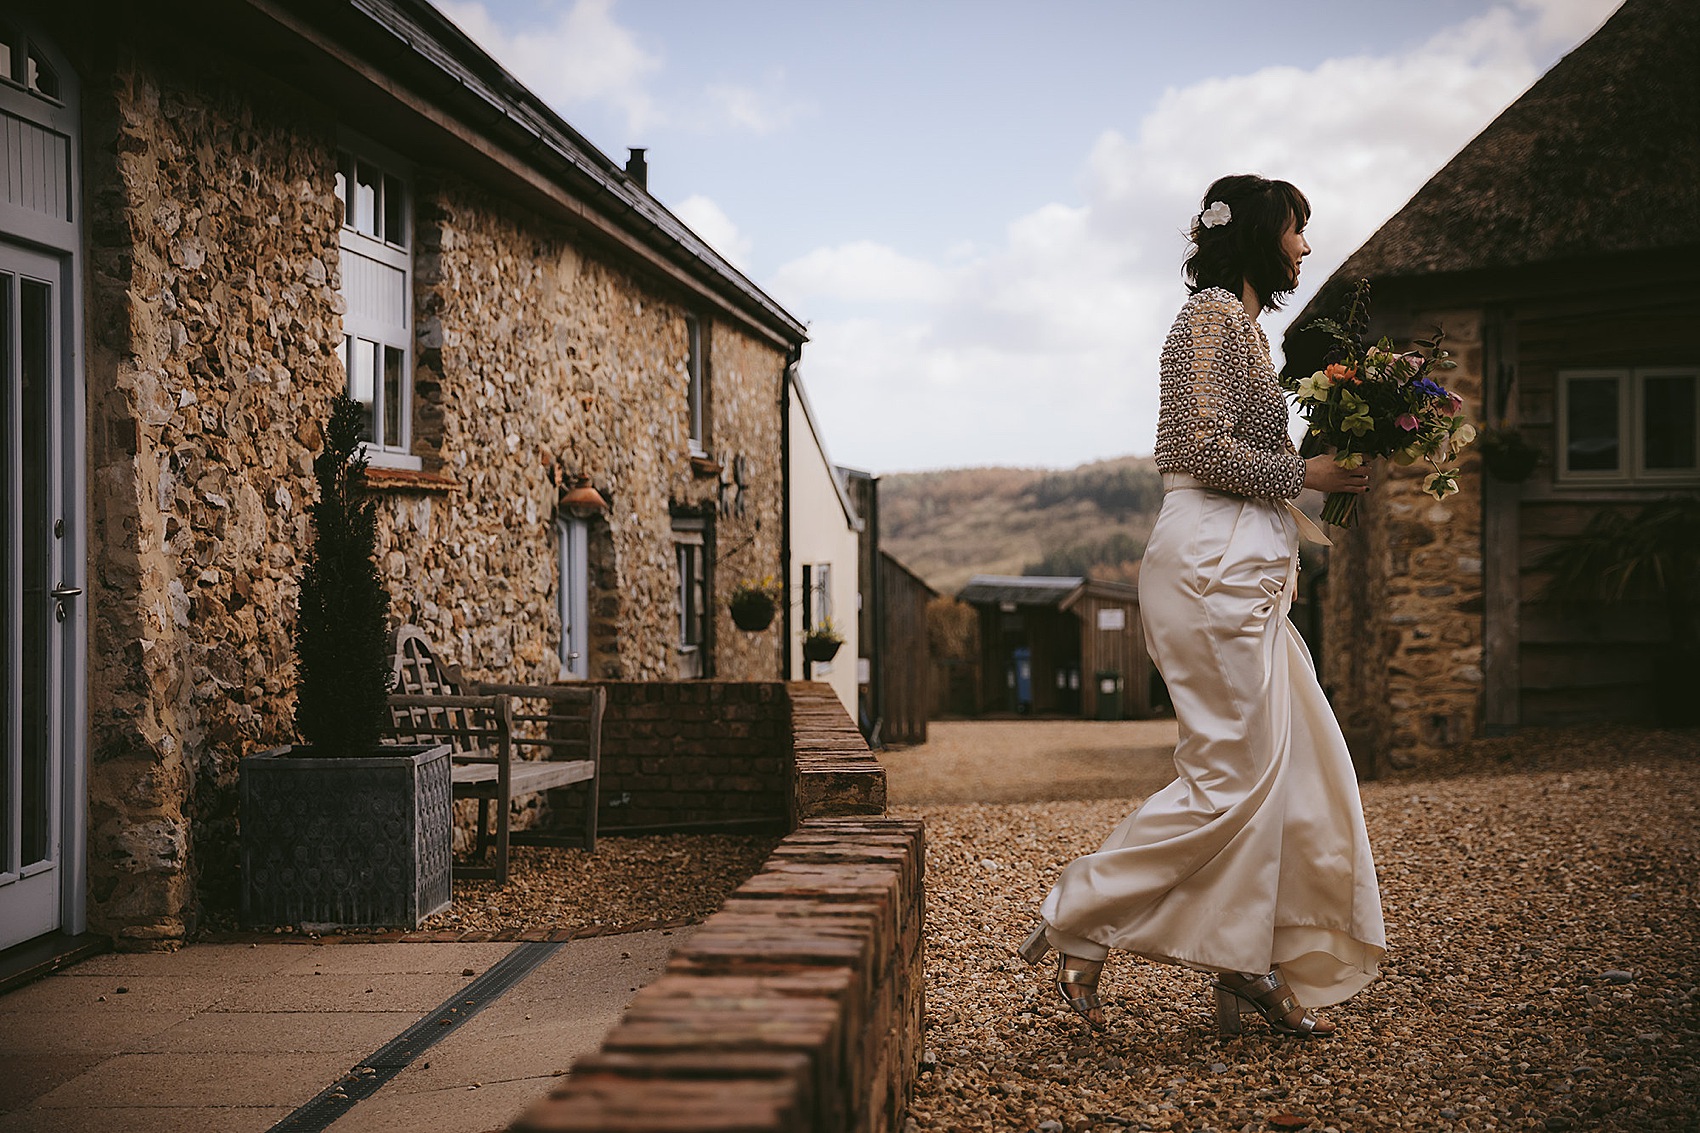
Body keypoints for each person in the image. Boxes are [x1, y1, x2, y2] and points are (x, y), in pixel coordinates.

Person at [1018, 174, 1385, 1039]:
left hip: (1246, 568)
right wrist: (1306, 474)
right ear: (1259, 234)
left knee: (1298, 769)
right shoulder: (1209, 318)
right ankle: (1080, 912)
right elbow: (1189, 445)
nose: (1304, 246)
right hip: (1212, 565)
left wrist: (1335, 452)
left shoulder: (1246, 329)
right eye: (1296, 230)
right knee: (1231, 775)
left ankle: (1246, 963)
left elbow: (1244, 444)